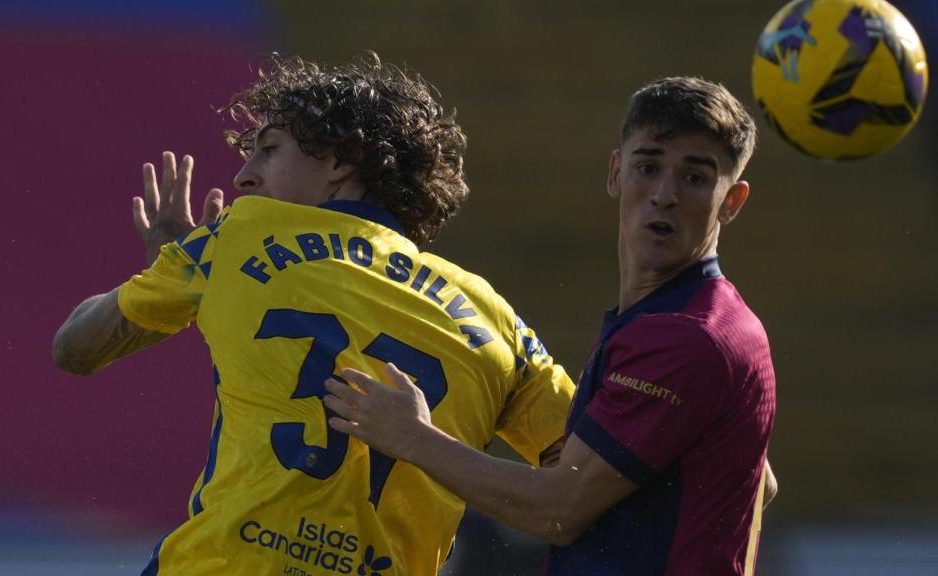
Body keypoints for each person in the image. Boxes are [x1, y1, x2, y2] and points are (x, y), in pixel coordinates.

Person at [52, 53, 574, 576]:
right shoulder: (495, 316)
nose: (241, 178)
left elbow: (73, 348)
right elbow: (576, 488)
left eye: (268, 150)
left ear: (341, 160)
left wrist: (170, 266)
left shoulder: (238, 236)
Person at [324, 76, 777, 575]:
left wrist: (411, 436)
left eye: (695, 177)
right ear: (616, 173)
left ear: (731, 201)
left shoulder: (686, 335)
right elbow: (763, 481)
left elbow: (557, 511)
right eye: (648, 167)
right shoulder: (704, 317)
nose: (664, 195)